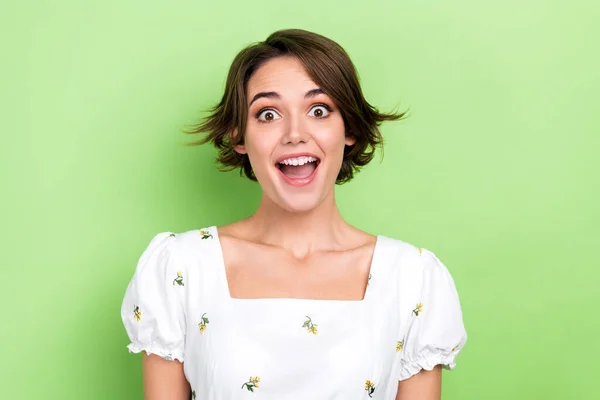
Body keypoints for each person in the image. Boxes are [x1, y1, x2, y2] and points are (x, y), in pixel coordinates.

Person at [120, 28, 467, 400]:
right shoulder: (180, 268)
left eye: (319, 110)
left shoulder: (413, 278)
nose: (295, 134)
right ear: (239, 135)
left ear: (347, 127)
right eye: (268, 114)